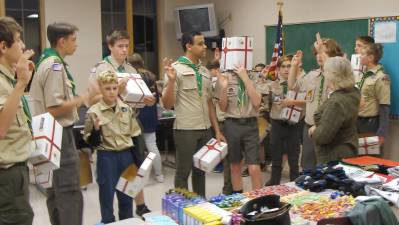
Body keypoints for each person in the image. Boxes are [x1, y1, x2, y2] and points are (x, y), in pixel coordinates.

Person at [30, 22, 97, 225]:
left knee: (55, 190)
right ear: (62, 41)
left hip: (48, 133)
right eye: (73, 40)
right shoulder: (54, 65)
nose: (76, 45)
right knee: (68, 191)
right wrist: (84, 99)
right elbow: (54, 107)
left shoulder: (48, 61)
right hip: (59, 134)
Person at [90, 29, 153, 217]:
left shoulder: (131, 70)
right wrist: (116, 91)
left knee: (130, 178)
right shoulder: (101, 69)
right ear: (110, 46)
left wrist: (145, 100)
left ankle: (133, 212)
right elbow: (92, 99)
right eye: (120, 46)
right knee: (108, 187)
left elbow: (132, 102)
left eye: (126, 46)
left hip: (129, 130)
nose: (124, 50)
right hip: (110, 135)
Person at [162, 31, 225, 197]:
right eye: (200, 43)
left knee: (200, 171)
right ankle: (181, 208)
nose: (205, 47)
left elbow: (210, 102)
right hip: (186, 129)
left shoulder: (204, 71)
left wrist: (217, 130)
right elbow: (167, 104)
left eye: (204, 43)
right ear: (188, 46)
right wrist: (172, 81)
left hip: (205, 129)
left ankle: (200, 204)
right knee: (183, 172)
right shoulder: (175, 70)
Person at [83, 70, 142, 223]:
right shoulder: (94, 112)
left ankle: (127, 221)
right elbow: (91, 142)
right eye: (107, 88)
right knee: (107, 197)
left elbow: (134, 136)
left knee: (126, 197)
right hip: (106, 158)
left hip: (126, 158)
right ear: (101, 89)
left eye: (114, 88)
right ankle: (108, 221)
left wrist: (138, 162)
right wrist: (96, 131)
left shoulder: (126, 109)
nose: (111, 92)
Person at [288, 33, 344, 169]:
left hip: (328, 129)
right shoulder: (312, 75)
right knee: (307, 166)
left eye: (323, 53)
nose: (319, 56)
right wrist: (294, 66)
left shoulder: (339, 74)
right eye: (317, 53)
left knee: (327, 167)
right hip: (309, 128)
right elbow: (292, 86)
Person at [0, 17, 35, 225]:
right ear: (3, 46)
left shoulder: (7, 79)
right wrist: (21, 83)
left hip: (15, 168)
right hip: (8, 174)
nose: (23, 46)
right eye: (19, 40)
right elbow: (2, 128)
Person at [217, 65, 263, 192]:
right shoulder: (225, 75)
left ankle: (258, 198)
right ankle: (238, 196)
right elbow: (222, 107)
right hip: (232, 124)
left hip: (250, 124)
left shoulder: (254, 75)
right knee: (235, 166)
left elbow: (257, 102)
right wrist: (224, 88)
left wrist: (245, 78)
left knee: (254, 167)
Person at [308, 57, 360, 163]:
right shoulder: (353, 92)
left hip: (334, 157)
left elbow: (323, 137)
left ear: (332, 75)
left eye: (325, 71)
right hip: (348, 150)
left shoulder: (336, 102)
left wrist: (313, 131)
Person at [264, 55, 305, 185]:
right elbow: (264, 100)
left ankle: (294, 184)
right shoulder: (272, 83)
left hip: (294, 124)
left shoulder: (299, 83)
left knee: (294, 157)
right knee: (276, 156)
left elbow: (306, 102)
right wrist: (262, 79)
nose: (287, 69)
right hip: (277, 123)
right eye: (283, 67)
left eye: (289, 66)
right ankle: (274, 182)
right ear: (278, 69)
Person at [127, 53, 164, 183]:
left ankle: (141, 177)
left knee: (138, 148)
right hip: (151, 114)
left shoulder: (132, 78)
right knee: (152, 146)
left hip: (137, 115)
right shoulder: (152, 76)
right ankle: (159, 174)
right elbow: (157, 98)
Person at [206, 58, 233, 195]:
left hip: (229, 122)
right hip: (225, 123)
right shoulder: (218, 83)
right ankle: (229, 189)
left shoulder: (224, 81)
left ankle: (230, 188)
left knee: (231, 159)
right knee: (229, 159)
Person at [357, 43, 390, 145]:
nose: (359, 56)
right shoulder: (363, 75)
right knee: (357, 159)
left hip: (371, 124)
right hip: (358, 122)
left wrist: (382, 133)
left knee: (371, 158)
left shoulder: (381, 77)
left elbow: (384, 105)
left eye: (362, 54)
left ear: (370, 58)